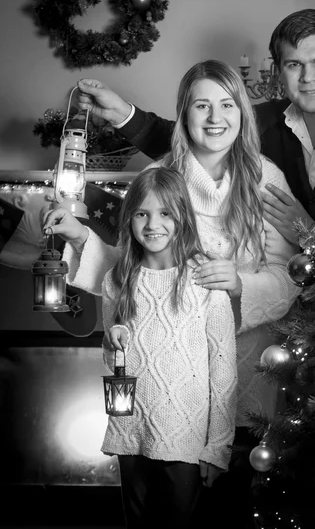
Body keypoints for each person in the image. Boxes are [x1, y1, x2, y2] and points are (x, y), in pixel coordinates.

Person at [43, 59, 301, 529]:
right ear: (183, 115)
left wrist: (243, 284)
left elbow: (292, 275)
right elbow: (132, 272)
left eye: (227, 104)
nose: (215, 117)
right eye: (201, 105)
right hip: (167, 378)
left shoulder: (265, 179)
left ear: (242, 113)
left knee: (229, 504)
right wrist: (82, 239)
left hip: (245, 368)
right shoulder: (162, 177)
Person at [75, 8, 315, 243]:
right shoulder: (262, 121)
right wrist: (119, 113)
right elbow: (192, 141)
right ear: (279, 70)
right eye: (294, 64)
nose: (308, 77)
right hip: (282, 303)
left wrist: (312, 234)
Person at [100, 166, 237, 529]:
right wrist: (112, 342)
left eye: (165, 213)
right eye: (142, 213)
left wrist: (218, 446)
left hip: (185, 436)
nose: (152, 224)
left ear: (182, 218)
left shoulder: (204, 279)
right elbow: (113, 359)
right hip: (130, 430)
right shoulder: (117, 280)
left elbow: (223, 368)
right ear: (129, 218)